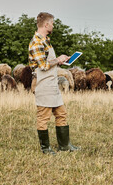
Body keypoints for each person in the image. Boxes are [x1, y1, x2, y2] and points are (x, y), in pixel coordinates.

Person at [29, 12, 80, 155]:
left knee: (61, 113)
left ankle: (65, 145)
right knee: (43, 117)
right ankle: (46, 149)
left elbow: (50, 64)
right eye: (52, 23)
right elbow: (43, 65)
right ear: (46, 24)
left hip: (53, 84)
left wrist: (61, 61)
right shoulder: (37, 42)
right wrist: (58, 60)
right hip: (43, 85)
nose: (53, 25)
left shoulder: (46, 41)